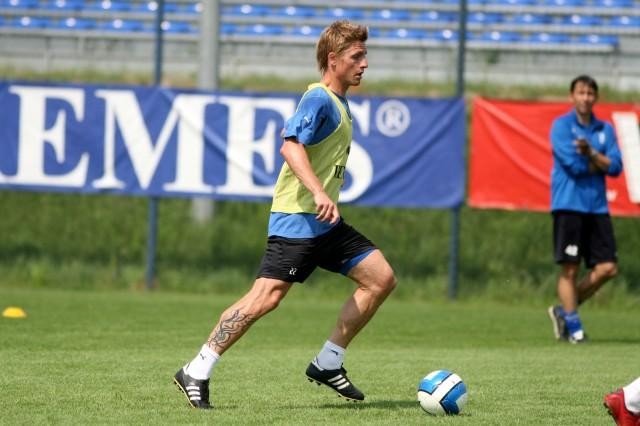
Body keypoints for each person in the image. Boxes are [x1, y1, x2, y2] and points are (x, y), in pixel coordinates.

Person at [173, 20, 397, 409]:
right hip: (298, 219)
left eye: (365, 56)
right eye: (356, 56)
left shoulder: (339, 102)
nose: (364, 64)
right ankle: (197, 368)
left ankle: (328, 362)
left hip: (324, 223)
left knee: (380, 279)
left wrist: (326, 189)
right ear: (333, 60)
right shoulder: (318, 99)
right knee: (266, 297)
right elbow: (290, 147)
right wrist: (318, 191)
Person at [546, 75, 623, 344]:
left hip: (597, 206)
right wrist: (599, 161)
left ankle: (564, 311)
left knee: (608, 268)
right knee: (570, 268)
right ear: (572, 96)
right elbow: (573, 166)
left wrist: (591, 153)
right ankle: (575, 330)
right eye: (581, 92)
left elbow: (616, 167)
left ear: (596, 97)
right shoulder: (561, 127)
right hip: (569, 204)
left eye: (590, 93)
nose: (585, 98)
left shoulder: (605, 129)